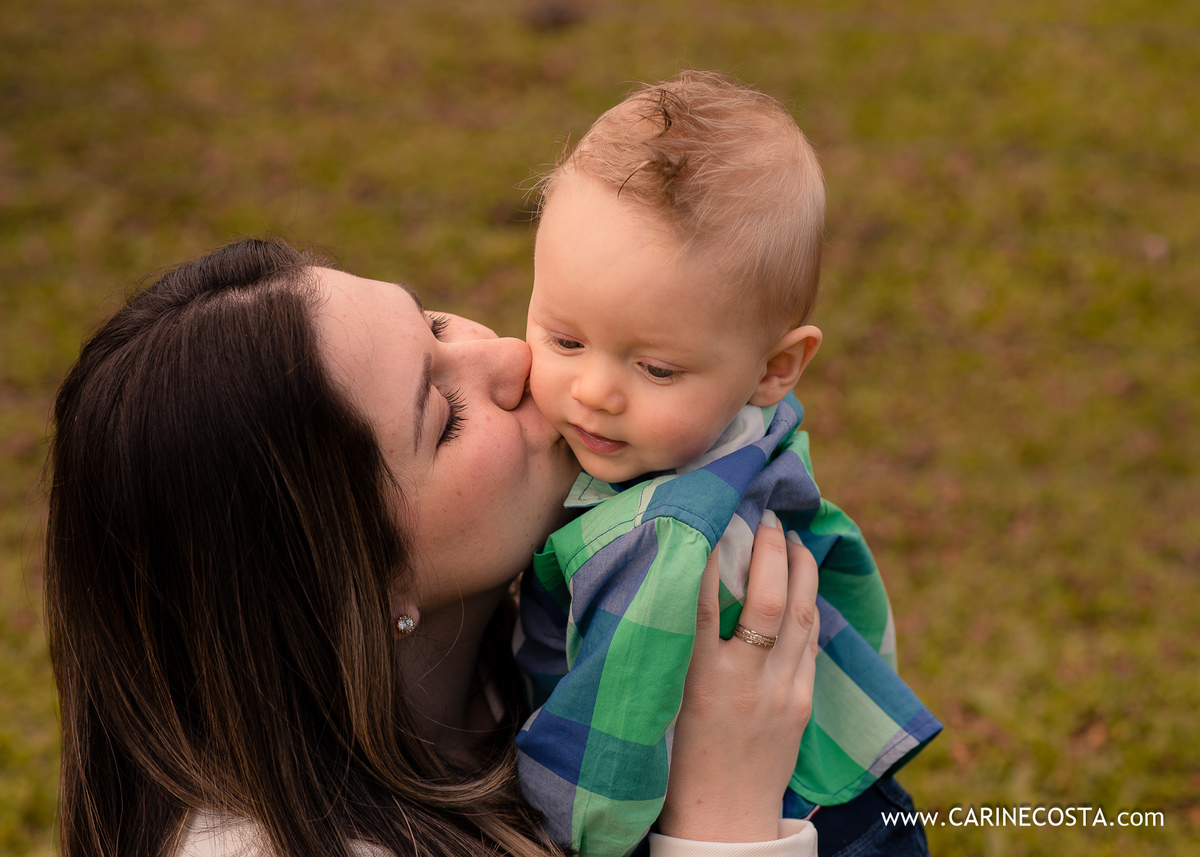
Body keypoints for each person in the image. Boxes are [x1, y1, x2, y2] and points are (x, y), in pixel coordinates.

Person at [44, 237, 826, 857]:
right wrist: (724, 821)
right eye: (444, 415)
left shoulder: (534, 651)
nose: (517, 358)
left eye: (437, 324)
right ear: (345, 583)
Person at [513, 72, 941, 856]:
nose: (596, 392)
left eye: (658, 370)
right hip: (844, 785)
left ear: (776, 366)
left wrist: (514, 818)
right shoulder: (743, 431)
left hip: (789, 818)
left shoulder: (660, 542)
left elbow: (596, 789)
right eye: (564, 339)